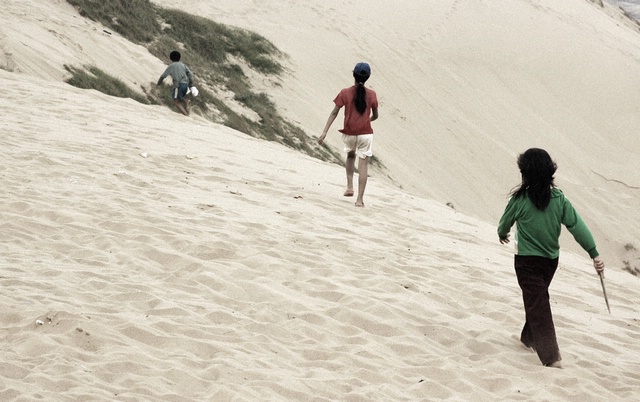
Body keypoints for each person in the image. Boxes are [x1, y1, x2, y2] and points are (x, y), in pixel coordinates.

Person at [497, 148, 605, 369]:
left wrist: (502, 233)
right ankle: (532, 342)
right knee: (538, 300)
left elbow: (504, 223)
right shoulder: (559, 199)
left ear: (525, 174)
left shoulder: (519, 199)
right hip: (550, 262)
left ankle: (549, 356)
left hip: (527, 262)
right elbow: (577, 226)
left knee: (538, 302)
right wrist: (593, 252)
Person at [318, 62, 379, 207]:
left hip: (350, 133)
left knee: (351, 156)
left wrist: (325, 131)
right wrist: (367, 120)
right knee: (363, 164)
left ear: (353, 75)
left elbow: (334, 112)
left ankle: (350, 187)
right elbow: (376, 115)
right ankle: (359, 200)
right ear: (368, 77)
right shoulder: (372, 94)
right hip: (365, 134)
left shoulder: (345, 92)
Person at [157, 50, 194, 116]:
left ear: (171, 58)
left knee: (176, 102)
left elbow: (163, 76)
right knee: (179, 99)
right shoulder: (183, 65)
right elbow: (190, 74)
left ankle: (186, 115)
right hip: (185, 85)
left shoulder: (171, 66)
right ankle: (186, 103)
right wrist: (190, 83)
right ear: (179, 58)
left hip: (178, 85)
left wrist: (159, 83)